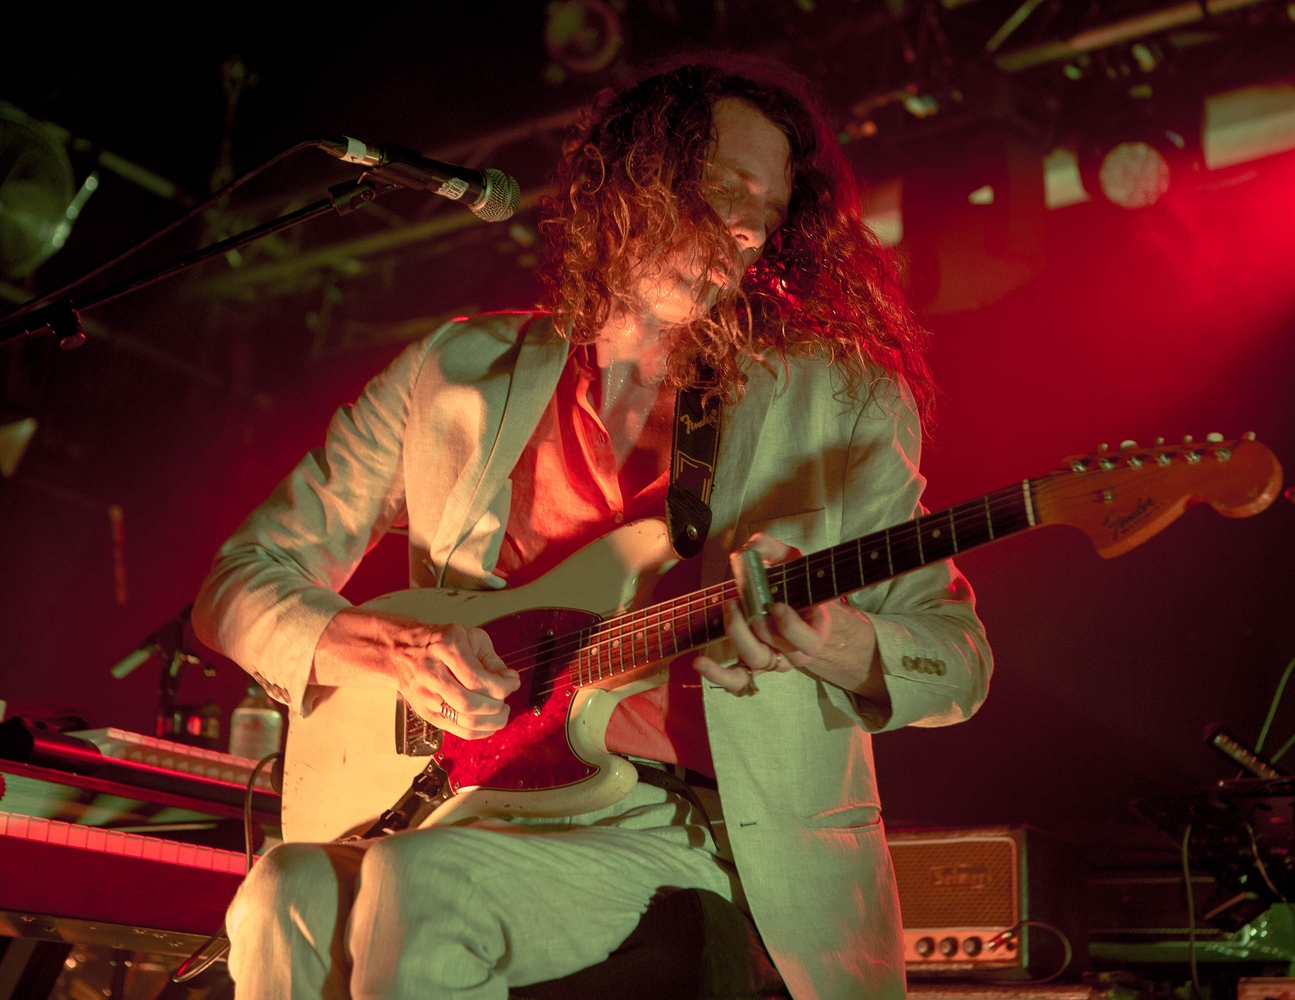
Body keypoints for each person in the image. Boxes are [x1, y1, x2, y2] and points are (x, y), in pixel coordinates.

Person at [193, 54, 992, 1000]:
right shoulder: (454, 370)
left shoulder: (842, 400)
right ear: (633, 185)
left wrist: (835, 640)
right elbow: (239, 582)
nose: (747, 228)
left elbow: (958, 660)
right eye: (727, 190)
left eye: (769, 214)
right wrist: (390, 647)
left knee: (421, 886)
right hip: (462, 800)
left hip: (692, 829)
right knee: (280, 889)